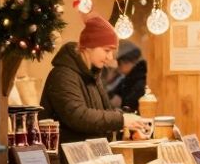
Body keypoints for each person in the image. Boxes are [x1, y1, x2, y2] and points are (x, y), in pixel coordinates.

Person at [40, 16, 150, 145]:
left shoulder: (92, 74)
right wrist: (122, 119)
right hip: (66, 159)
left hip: (89, 156)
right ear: (89, 46)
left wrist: (130, 122)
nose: (109, 57)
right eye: (106, 50)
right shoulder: (62, 75)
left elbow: (103, 113)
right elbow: (78, 116)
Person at [107, 40, 147, 112]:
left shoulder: (137, 81)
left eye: (119, 63)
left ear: (125, 61)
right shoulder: (129, 79)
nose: (118, 68)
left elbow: (128, 105)